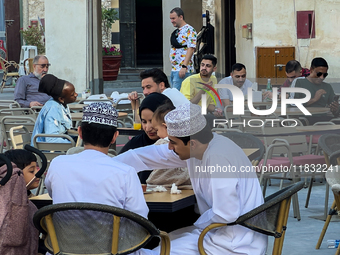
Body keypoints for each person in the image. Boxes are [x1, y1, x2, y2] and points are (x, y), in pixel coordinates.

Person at [114, 103, 267, 255]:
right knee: (165, 240)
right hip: (223, 233)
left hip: (234, 244)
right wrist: (108, 165)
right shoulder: (203, 147)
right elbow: (150, 155)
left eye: (172, 142)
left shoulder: (218, 157)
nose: (169, 147)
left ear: (192, 143)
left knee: (155, 251)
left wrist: (197, 224)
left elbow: (226, 213)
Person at [119, 93, 172, 183]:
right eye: (144, 122)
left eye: (152, 121)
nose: (148, 128)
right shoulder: (136, 144)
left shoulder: (177, 145)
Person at [31, 74, 78, 144]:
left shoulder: (62, 104)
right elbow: (52, 140)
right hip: (47, 151)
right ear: (61, 99)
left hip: (61, 142)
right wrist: (73, 145)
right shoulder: (53, 109)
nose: (76, 94)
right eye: (72, 94)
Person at [169, 7, 197, 90]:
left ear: (181, 17)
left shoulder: (189, 30)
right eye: (170, 19)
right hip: (175, 68)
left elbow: (191, 48)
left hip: (183, 69)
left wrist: (184, 66)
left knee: (178, 95)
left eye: (173, 18)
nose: (172, 21)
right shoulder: (178, 31)